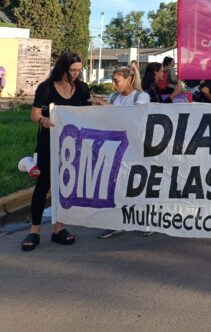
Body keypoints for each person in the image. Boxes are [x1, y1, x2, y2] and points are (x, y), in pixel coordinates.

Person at [22, 52, 92, 251]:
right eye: (73, 70)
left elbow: (87, 114)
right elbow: (34, 114)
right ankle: (34, 231)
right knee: (42, 186)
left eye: (80, 70)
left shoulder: (82, 89)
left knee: (64, 186)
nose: (77, 73)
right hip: (48, 144)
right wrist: (43, 120)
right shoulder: (45, 88)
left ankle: (59, 228)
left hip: (72, 146)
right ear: (63, 68)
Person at [97, 67, 152, 240]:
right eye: (113, 80)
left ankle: (145, 221)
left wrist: (107, 107)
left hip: (136, 148)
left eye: (116, 81)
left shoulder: (141, 97)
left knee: (138, 184)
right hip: (117, 148)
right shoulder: (114, 97)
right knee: (117, 185)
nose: (113, 85)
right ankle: (117, 223)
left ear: (129, 80)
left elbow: (133, 118)